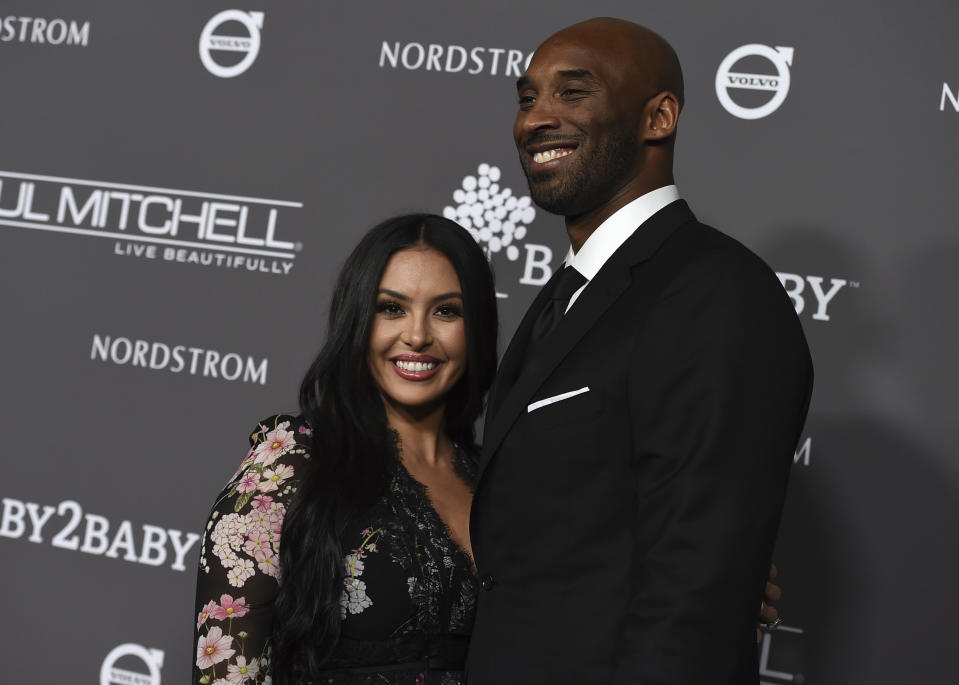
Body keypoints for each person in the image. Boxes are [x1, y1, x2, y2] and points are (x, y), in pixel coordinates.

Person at [465, 18, 813, 685]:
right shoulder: (566, 294)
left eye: (572, 93)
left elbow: (695, 591)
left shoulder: (717, 294)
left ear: (658, 116)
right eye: (527, 97)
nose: (536, 118)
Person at [192, 214, 498, 685]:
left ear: (475, 327)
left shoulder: (492, 476)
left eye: (446, 311)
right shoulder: (291, 462)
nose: (417, 335)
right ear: (357, 318)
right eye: (391, 308)